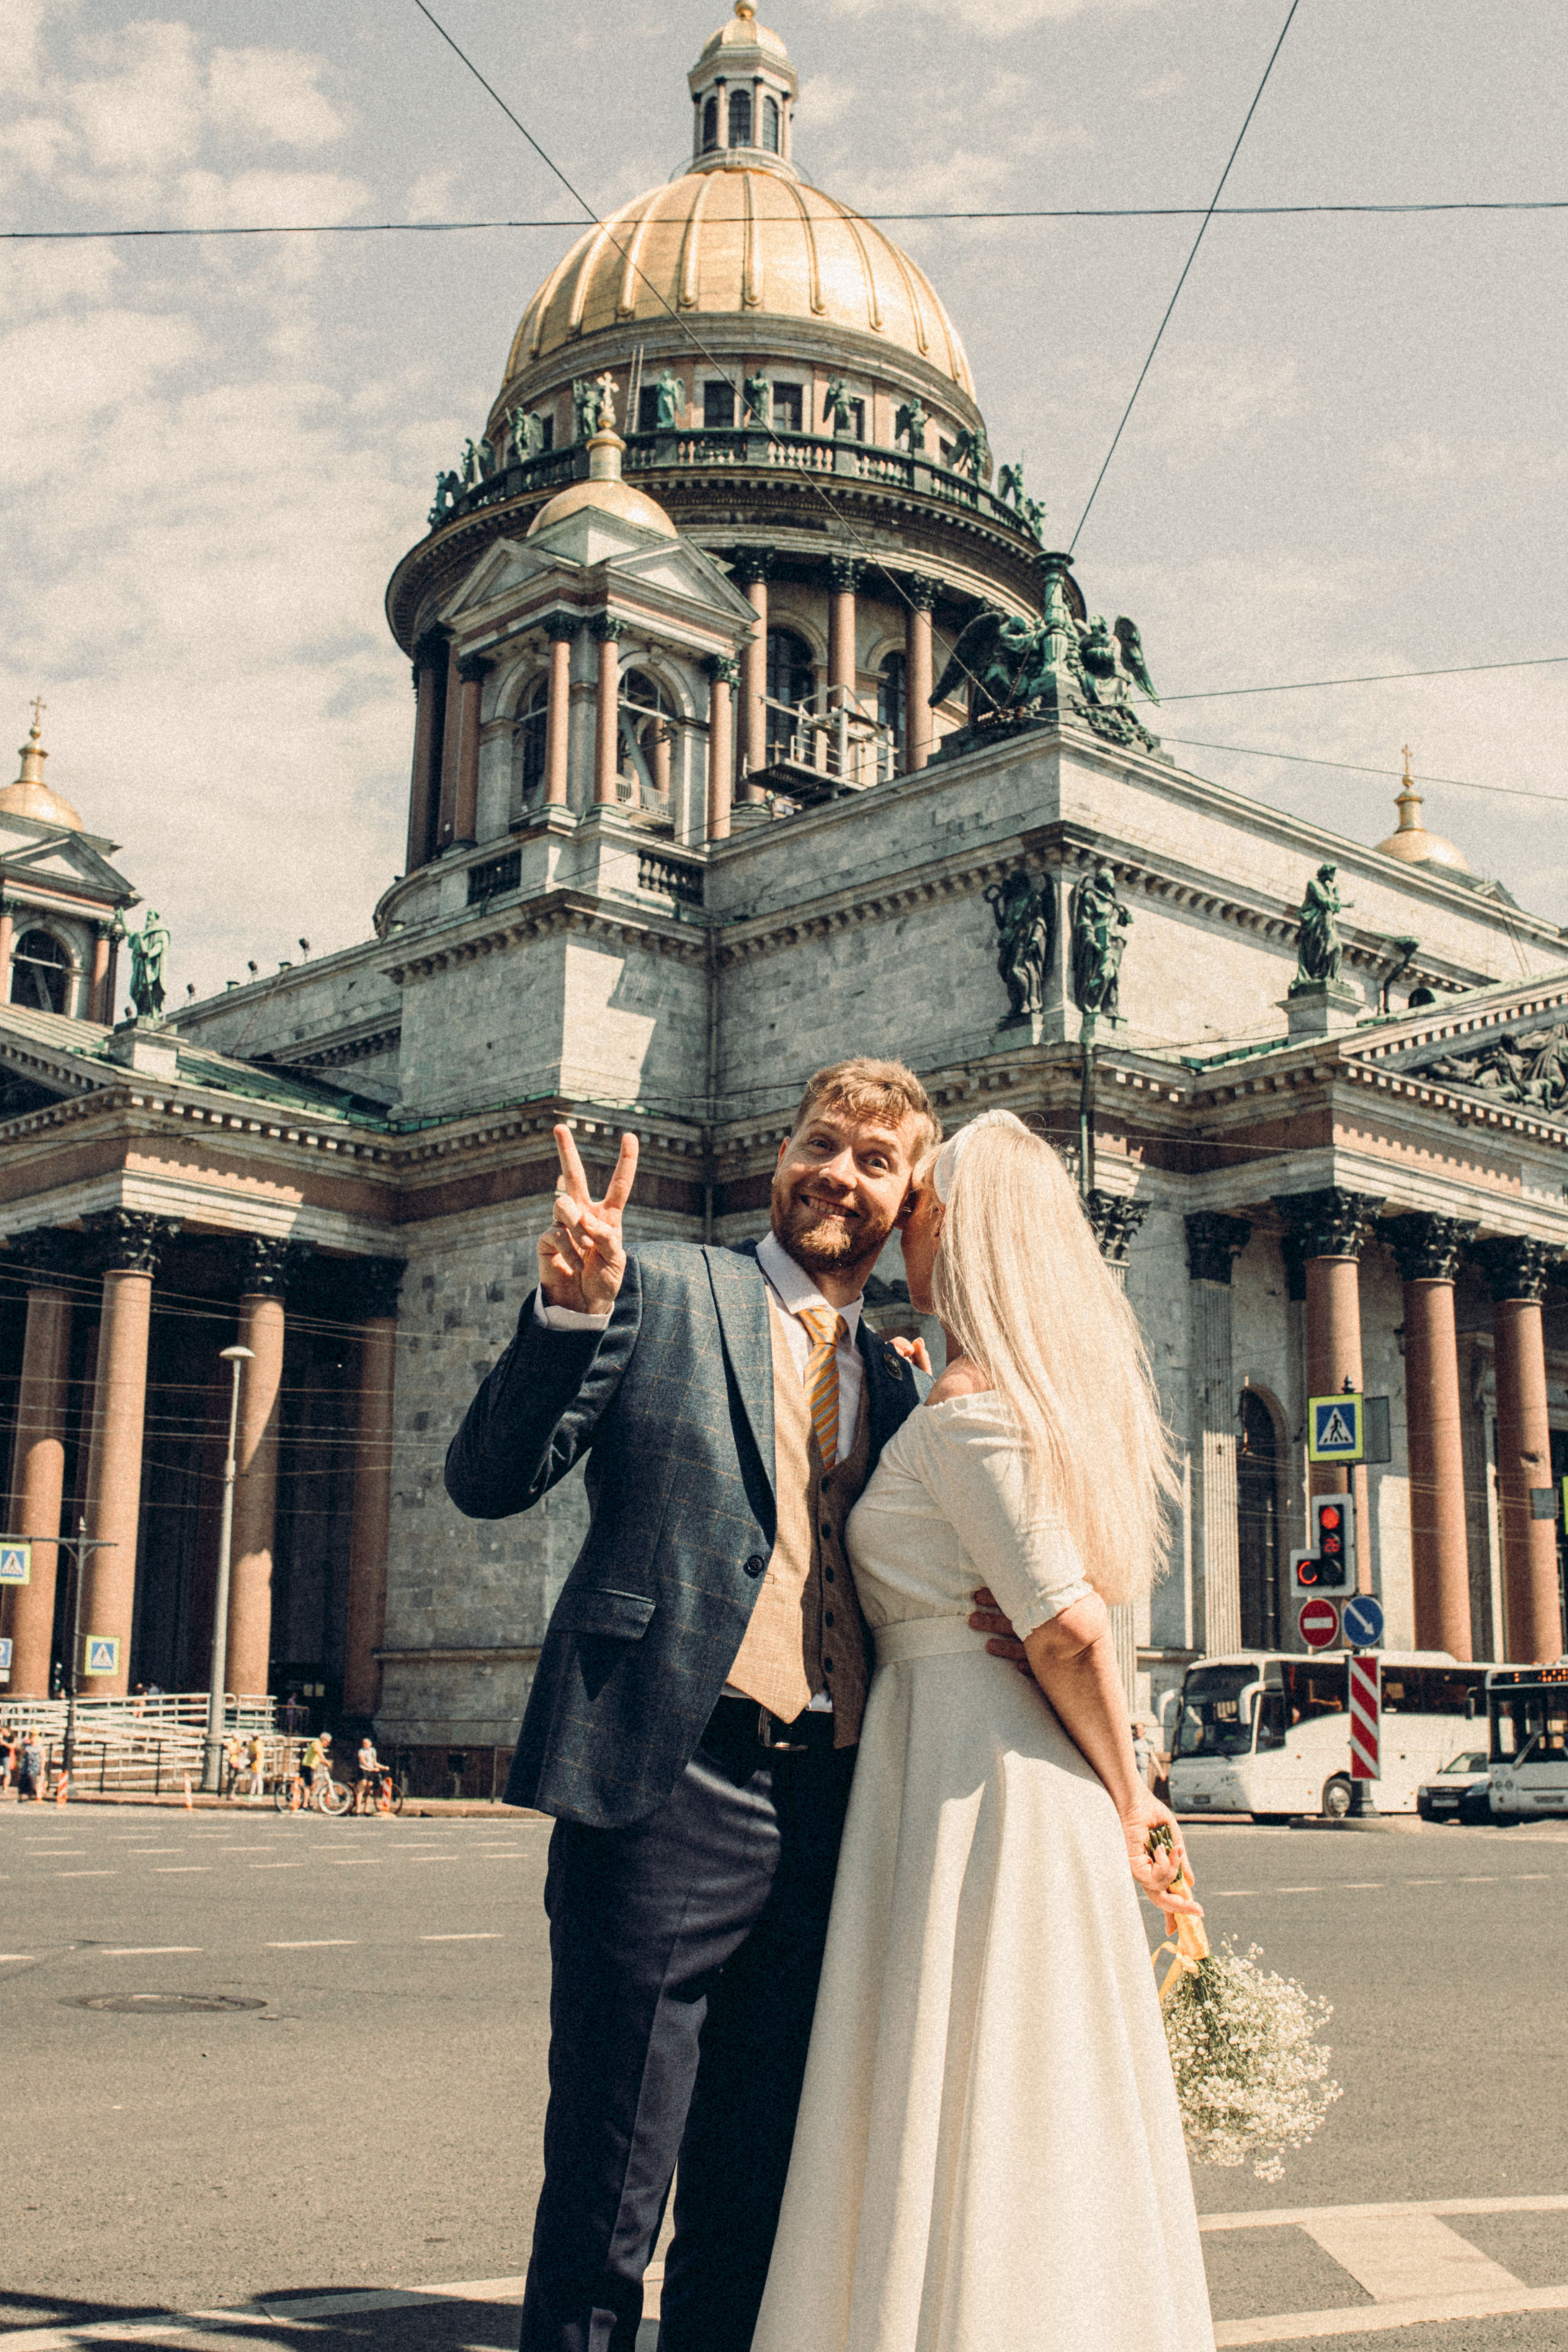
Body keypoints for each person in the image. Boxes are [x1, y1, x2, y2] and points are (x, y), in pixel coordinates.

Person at [445, 1058, 948, 2352]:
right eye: (817, 1143)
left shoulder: (897, 1381)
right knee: (613, 2191)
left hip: (833, 1804)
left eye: (872, 1160)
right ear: (777, 1155)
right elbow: (490, 1478)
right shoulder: (662, 1287)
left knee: (755, 2188)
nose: (836, 1172)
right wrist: (564, 1316)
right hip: (670, 1780)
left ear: (905, 1200)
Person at [751, 1108, 1214, 2352]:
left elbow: (1063, 1628)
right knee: (1002, 2091)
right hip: (960, 1753)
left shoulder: (967, 1405)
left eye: (913, 1210)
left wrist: (1134, 1800)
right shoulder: (994, 1393)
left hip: (979, 1783)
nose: (895, 1229)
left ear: (953, 1228)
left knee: (970, 2083)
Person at [18, 1731, 45, 1801]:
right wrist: (24, 1742)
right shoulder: (27, 1747)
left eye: (34, 1738)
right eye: (31, 1738)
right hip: (27, 1767)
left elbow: (43, 1758)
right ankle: (28, 1794)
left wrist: (42, 1768)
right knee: (26, 1780)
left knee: (35, 1781)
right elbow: (22, 1754)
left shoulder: (40, 1747)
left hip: (36, 1767)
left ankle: (35, 1794)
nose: (32, 1740)